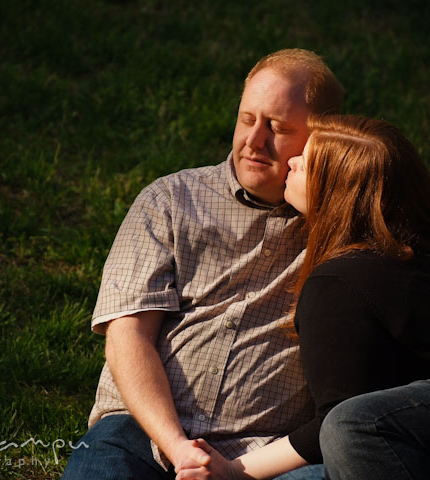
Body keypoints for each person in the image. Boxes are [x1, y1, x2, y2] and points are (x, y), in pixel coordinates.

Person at [175, 115, 430, 480]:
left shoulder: (341, 281)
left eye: (306, 164)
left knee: (355, 425)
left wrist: (233, 470)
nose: (292, 160)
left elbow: (337, 420)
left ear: (336, 193)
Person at [60, 49, 344, 479]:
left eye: (278, 127)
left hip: (267, 455)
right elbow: (128, 337)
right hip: (142, 433)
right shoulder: (170, 200)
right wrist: (179, 450)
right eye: (247, 119)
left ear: (321, 139)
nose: (254, 140)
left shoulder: (339, 231)